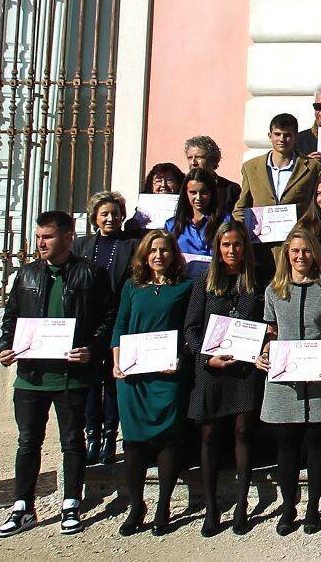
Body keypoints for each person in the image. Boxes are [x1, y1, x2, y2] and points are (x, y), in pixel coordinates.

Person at [0, 210, 114, 539]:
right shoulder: (27, 275)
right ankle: (22, 506)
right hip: (31, 376)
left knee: (73, 442)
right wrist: (6, 347)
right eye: (38, 237)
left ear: (67, 237)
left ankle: (71, 503)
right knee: (28, 442)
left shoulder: (91, 274)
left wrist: (91, 348)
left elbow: (108, 318)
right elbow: (12, 315)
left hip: (71, 376)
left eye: (47, 237)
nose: (41, 243)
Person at [256, 228, 321, 535]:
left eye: (306, 251)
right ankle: (288, 507)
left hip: (320, 377)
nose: (300, 256)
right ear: (286, 255)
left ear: (315, 254)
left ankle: (312, 508)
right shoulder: (273, 290)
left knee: (319, 443)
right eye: (295, 251)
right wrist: (264, 353)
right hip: (285, 382)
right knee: (287, 446)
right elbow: (271, 331)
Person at [183, 219, 265, 536]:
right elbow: (190, 328)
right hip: (211, 369)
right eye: (226, 244)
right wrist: (206, 357)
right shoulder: (204, 281)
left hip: (244, 369)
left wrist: (264, 343)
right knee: (208, 436)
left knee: (244, 433)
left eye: (238, 244)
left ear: (245, 247)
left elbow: (264, 324)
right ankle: (212, 509)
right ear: (218, 247)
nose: (232, 250)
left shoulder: (254, 283)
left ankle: (242, 505)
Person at [112, 230, 192, 537]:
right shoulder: (133, 286)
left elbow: (190, 328)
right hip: (133, 377)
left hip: (168, 375)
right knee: (133, 442)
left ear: (174, 255)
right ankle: (136, 506)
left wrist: (181, 356)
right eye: (153, 250)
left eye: (165, 250)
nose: (159, 255)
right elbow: (120, 324)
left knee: (168, 440)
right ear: (145, 255)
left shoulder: (185, 287)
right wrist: (117, 361)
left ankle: (163, 505)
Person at [72, 191, 138, 466]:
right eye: (104, 214)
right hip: (88, 321)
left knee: (113, 381)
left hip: (119, 318)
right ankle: (92, 437)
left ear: (123, 216)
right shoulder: (81, 245)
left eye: (115, 213)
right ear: (94, 218)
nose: (110, 218)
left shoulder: (132, 244)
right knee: (89, 382)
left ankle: (111, 436)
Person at [235, 113, 321, 272]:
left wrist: (309, 230)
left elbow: (320, 204)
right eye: (277, 134)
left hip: (297, 249)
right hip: (261, 250)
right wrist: (244, 231)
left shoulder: (313, 168)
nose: (282, 139)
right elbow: (241, 208)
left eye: (287, 135)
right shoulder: (251, 167)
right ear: (270, 136)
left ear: (295, 137)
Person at [166, 167, 227, 275]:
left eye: (204, 192)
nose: (198, 198)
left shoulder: (225, 221)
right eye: (193, 192)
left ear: (212, 193)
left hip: (215, 280)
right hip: (182, 281)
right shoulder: (171, 225)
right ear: (185, 193)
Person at [184, 135, 242, 218]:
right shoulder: (182, 186)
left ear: (213, 160)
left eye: (199, 157)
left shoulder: (230, 189)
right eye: (190, 158)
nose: (193, 162)